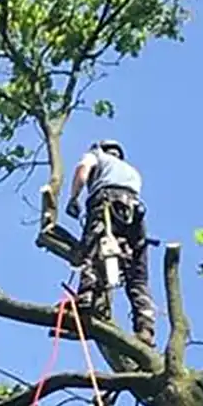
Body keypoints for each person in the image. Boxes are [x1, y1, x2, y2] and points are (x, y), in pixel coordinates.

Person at [65, 140, 155, 346]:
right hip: (135, 212)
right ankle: (146, 327)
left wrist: (73, 197)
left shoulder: (97, 155)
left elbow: (82, 169)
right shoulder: (132, 171)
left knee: (92, 251)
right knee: (137, 275)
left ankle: (86, 299)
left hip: (107, 201)